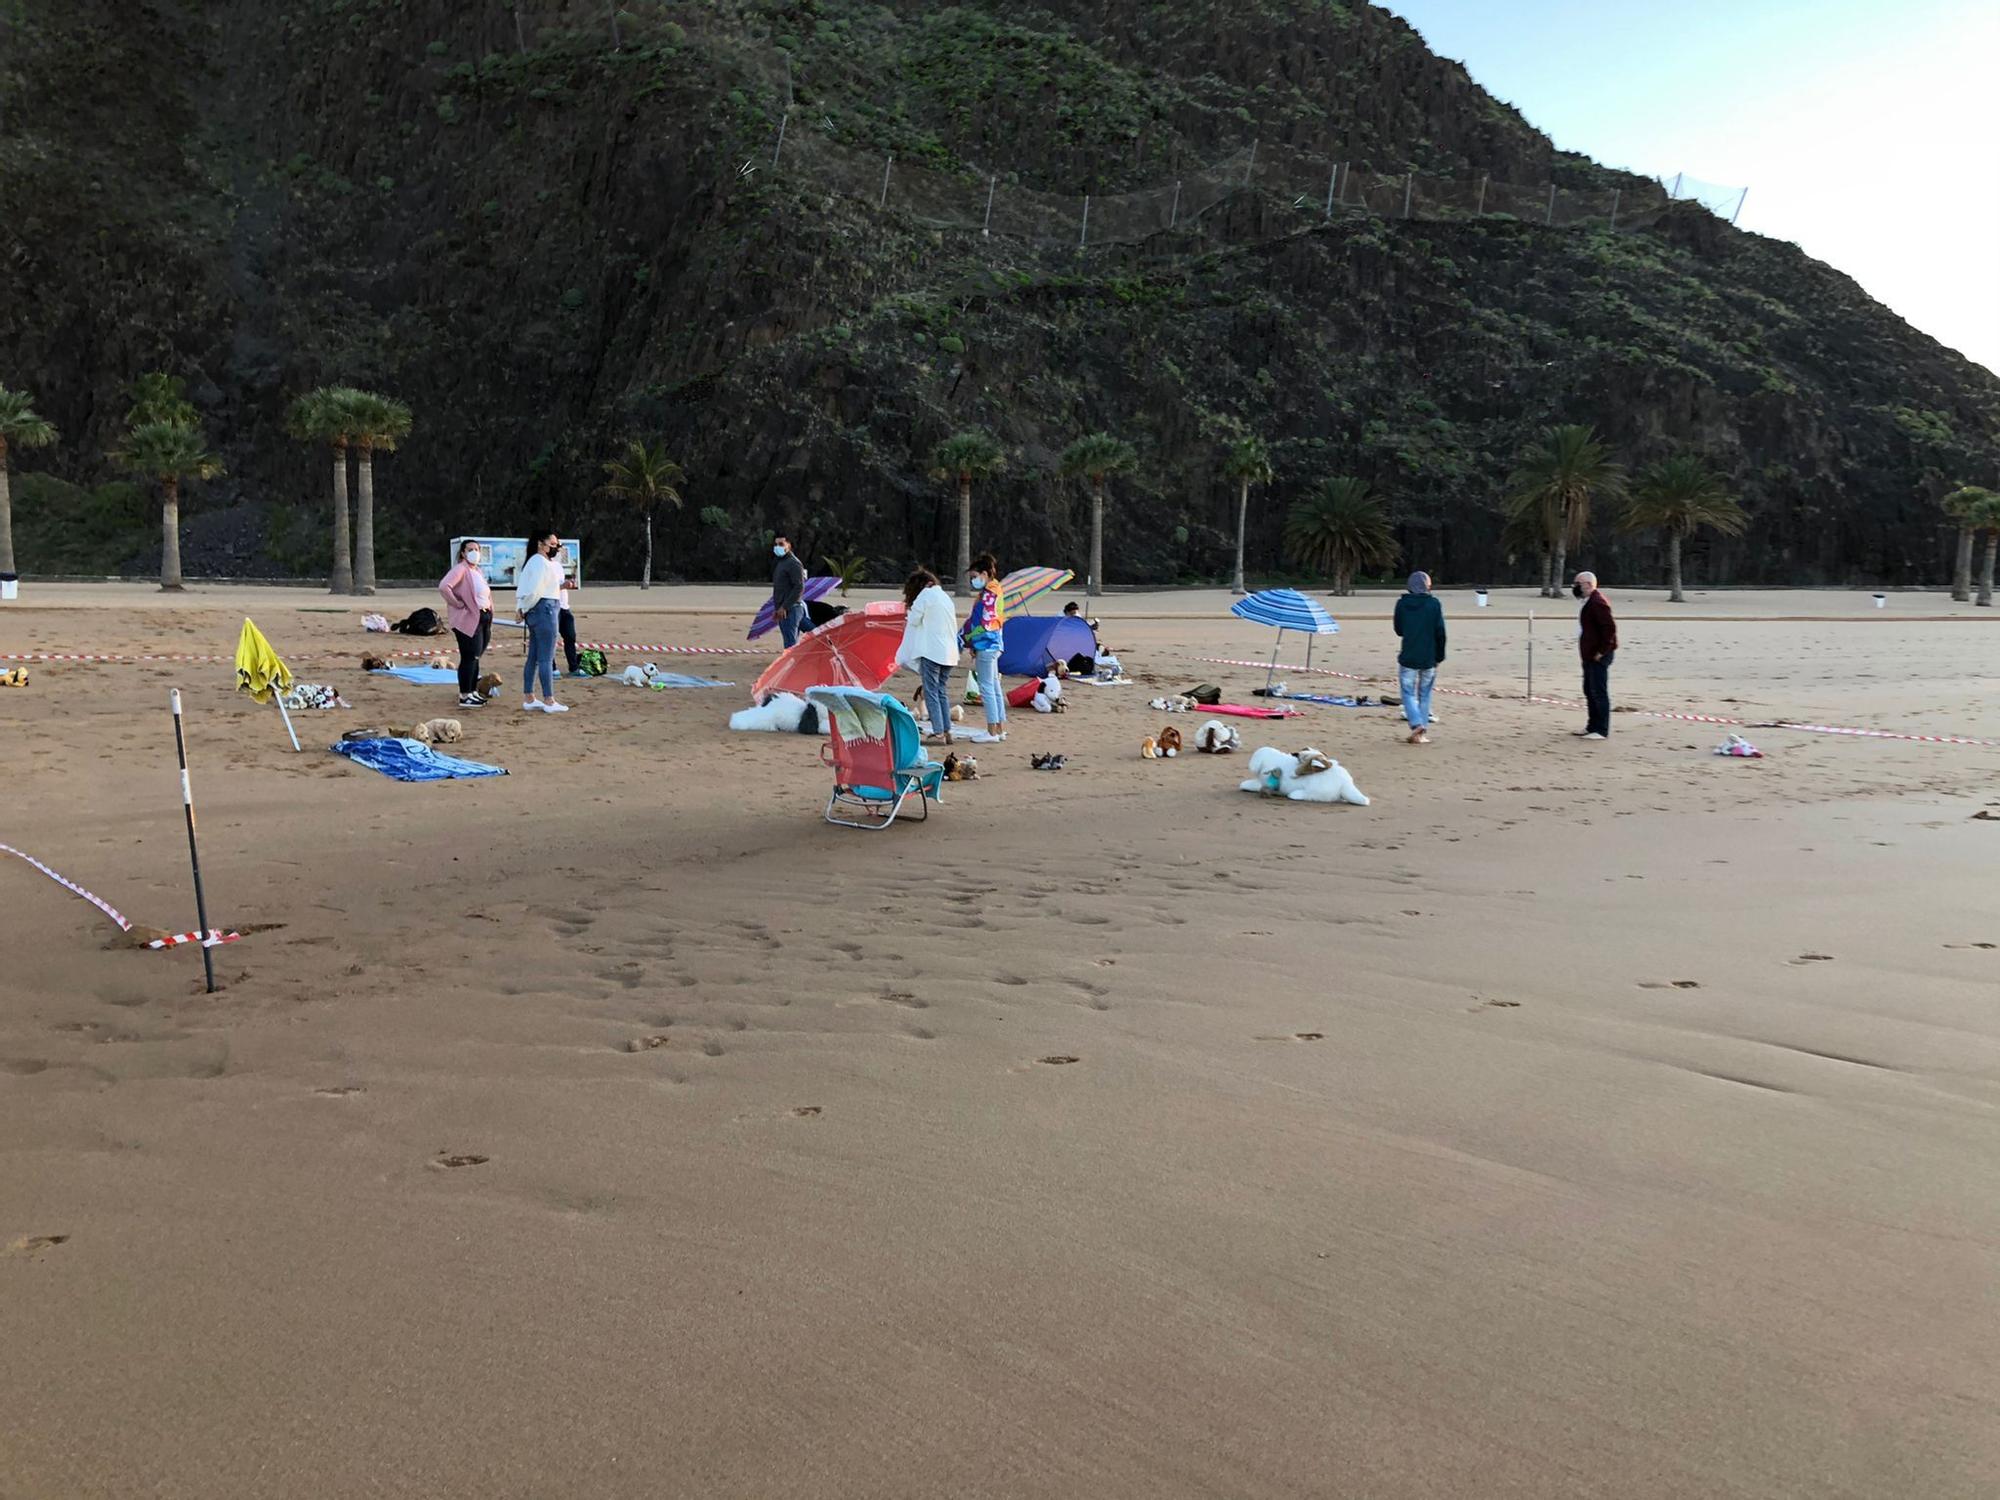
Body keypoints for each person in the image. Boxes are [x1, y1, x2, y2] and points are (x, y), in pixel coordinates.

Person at [897, 569, 959, 745]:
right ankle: (947, 731)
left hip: (932, 652)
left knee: (931, 691)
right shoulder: (945, 597)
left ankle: (938, 733)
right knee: (941, 691)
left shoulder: (925, 596)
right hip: (949, 653)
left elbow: (914, 619)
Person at [515, 527, 568, 713]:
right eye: (552, 544)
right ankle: (549, 700)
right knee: (546, 657)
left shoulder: (536, 562)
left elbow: (523, 589)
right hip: (544, 609)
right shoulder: (539, 562)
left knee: (534, 657)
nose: (556, 547)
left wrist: (522, 608)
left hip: (539, 609)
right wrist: (523, 608)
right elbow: (534, 591)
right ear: (541, 544)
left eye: (557, 544)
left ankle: (529, 697)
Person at [1392, 570, 1446, 745]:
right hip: (1428, 656)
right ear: (1427, 587)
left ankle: (1416, 724)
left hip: (1409, 654)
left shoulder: (1401, 604)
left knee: (1408, 692)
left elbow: (1399, 629)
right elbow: (1440, 633)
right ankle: (1420, 729)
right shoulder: (1434, 604)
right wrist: (1440, 655)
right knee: (1424, 694)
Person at [439, 539, 493, 709]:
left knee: (476, 656)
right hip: (467, 620)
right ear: (463, 553)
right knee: (469, 656)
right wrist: (457, 603)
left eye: (477, 549)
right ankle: (465, 694)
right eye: (470, 549)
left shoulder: (477, 571)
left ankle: (472, 691)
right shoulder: (460, 569)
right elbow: (444, 587)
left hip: (483, 617)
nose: (474, 552)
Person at [961, 551, 1008, 743]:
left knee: (987, 687)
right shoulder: (995, 590)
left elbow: (985, 623)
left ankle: (991, 731)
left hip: (987, 645)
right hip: (994, 644)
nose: (973, 581)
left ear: (985, 574)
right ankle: (998, 728)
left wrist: (970, 639)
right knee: (994, 686)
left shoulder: (989, 594)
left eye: (974, 577)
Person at [1573, 570, 1617, 740]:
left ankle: (1601, 729)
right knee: (1589, 690)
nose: (1576, 587)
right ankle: (1592, 726)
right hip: (1589, 654)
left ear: (1589, 585)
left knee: (1599, 691)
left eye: (1578, 584)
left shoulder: (1598, 602)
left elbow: (1610, 629)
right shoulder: (1588, 602)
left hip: (1599, 655)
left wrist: (1602, 651)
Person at [771, 536, 807, 648]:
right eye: (776, 544)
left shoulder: (793, 563)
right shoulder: (781, 563)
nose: (778, 547)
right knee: (792, 642)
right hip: (784, 610)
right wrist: (777, 608)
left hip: (791, 610)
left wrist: (784, 607)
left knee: (790, 646)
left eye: (781, 544)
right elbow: (780, 588)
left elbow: (799, 587)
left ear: (789, 545)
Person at [557, 557, 581, 677]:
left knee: (570, 637)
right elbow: (543, 589)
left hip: (565, 607)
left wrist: (568, 584)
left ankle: (574, 667)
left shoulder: (559, 567)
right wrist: (562, 586)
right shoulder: (543, 566)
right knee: (551, 639)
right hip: (552, 607)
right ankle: (551, 668)